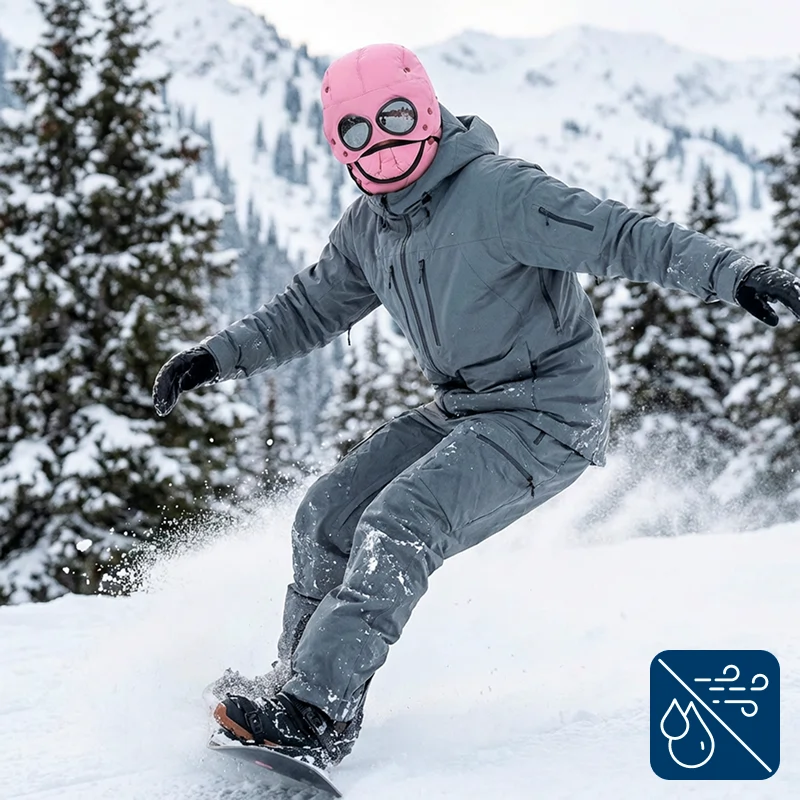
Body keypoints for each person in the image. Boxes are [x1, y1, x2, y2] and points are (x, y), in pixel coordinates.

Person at [152, 43, 800, 768]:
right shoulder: (369, 227)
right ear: (338, 143)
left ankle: (315, 713)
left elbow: (621, 236)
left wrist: (734, 273)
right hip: (465, 407)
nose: (383, 141)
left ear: (428, 111)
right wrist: (216, 356)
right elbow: (306, 310)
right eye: (359, 129)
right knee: (326, 513)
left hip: (549, 415)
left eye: (397, 117)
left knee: (400, 521)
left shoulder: (500, 194)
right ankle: (297, 682)